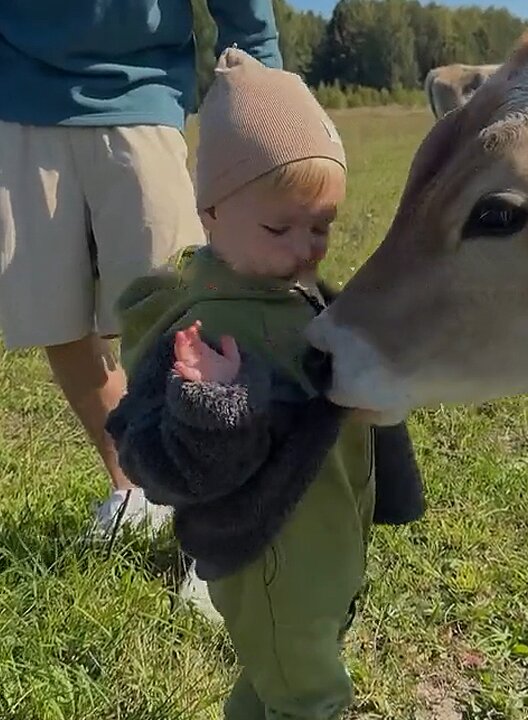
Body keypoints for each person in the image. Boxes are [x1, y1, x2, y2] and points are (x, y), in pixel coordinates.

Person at [103, 49, 423, 718]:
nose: (306, 247)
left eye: (322, 227)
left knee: (273, 684)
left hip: (324, 532)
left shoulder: (287, 288)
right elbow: (164, 466)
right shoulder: (206, 327)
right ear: (211, 211)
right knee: (310, 695)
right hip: (272, 557)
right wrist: (211, 403)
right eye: (281, 227)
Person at [0, 1, 282, 539]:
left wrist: (269, 97)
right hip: (15, 105)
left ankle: (220, 515)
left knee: (182, 321)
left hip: (140, 96)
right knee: (57, 320)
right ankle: (137, 488)